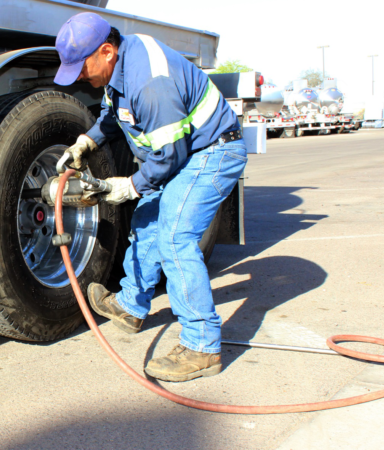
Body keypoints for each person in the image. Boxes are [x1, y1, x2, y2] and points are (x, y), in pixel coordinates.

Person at [53, 12, 248, 382]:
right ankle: (131, 305)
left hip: (212, 152)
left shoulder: (150, 83)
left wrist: (127, 186)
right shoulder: (121, 66)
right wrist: (87, 141)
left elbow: (169, 158)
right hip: (183, 152)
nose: (79, 76)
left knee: (174, 237)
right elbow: (116, 114)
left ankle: (202, 346)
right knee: (146, 222)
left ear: (106, 51)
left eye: (81, 67)